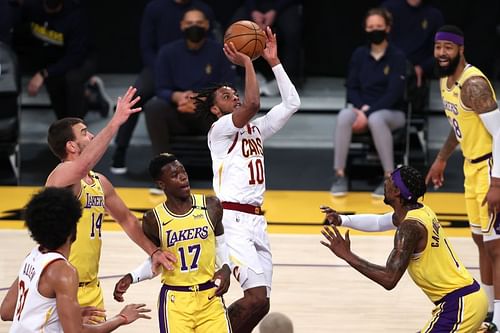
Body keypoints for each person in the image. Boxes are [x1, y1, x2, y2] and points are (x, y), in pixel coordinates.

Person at [193, 26, 300, 333]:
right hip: (233, 221)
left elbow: (292, 104)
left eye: (234, 92)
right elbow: (253, 104)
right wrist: (250, 63)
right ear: (216, 110)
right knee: (253, 299)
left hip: (257, 221)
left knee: (262, 302)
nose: (235, 96)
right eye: (227, 96)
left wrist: (274, 61)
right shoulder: (220, 131)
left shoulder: (255, 130)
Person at [44, 87, 176, 312]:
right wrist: (115, 123)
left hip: (91, 288)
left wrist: (153, 251)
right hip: (59, 285)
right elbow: (81, 166)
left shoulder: (99, 182)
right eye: (85, 132)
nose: (92, 135)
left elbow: (127, 220)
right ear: (71, 145)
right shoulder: (61, 176)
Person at [321, 165, 488, 332]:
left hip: (460, 304)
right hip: (469, 298)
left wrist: (347, 255)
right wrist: (342, 219)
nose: (386, 181)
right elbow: (379, 222)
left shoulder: (410, 228)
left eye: (390, 180)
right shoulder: (421, 211)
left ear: (397, 192)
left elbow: (389, 279)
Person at [426, 25, 500, 329]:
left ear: (461, 49)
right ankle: (487, 308)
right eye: (438, 47)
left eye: (448, 47)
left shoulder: (474, 84)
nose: (442, 53)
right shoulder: (447, 82)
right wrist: (442, 158)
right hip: (472, 168)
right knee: (481, 241)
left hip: (491, 166)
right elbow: (460, 124)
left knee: (496, 247)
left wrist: (497, 182)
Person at [0, 187, 151, 332]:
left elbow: (6, 311)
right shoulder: (64, 272)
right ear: (72, 231)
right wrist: (121, 318)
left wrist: (66, 315)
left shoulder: (32, 256)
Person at [111, 153, 232, 332]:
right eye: (175, 175)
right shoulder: (153, 219)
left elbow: (220, 244)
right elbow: (157, 262)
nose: (183, 177)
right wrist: (131, 277)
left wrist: (226, 268)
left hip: (210, 296)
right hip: (176, 300)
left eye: (183, 172)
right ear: (162, 184)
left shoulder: (211, 205)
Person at [109, 0, 216, 174]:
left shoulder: (202, 9)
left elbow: (209, 41)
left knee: (215, 94)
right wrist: (163, 68)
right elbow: (146, 45)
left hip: (193, 63)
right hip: (159, 65)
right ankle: (120, 150)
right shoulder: (155, 7)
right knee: (136, 96)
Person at [329, 7, 407, 198]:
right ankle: (340, 174)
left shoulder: (397, 57)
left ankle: (389, 178)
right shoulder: (359, 55)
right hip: (362, 110)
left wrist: (368, 112)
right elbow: (352, 88)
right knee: (344, 115)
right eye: (371, 27)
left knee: (377, 119)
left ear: (388, 28)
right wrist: (361, 110)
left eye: (379, 26)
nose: (375, 30)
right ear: (365, 29)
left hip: (392, 113)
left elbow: (394, 93)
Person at [143, 8, 237, 166]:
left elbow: (228, 86)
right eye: (190, 23)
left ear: (207, 25)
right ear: (182, 25)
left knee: (228, 108)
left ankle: (227, 168)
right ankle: (164, 168)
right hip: (179, 109)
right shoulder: (167, 52)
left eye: (199, 23)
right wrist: (178, 97)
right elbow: (161, 88)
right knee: (154, 107)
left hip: (209, 112)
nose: (195, 26)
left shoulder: (220, 52)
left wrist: (202, 99)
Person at [11, 0, 111, 120]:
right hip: (54, 58)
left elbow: (75, 56)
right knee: (62, 115)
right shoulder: (31, 7)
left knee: (71, 79)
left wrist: (44, 73)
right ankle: (91, 96)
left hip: (82, 59)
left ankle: (76, 128)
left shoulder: (75, 14)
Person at [382, 0, 444, 112]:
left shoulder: (434, 15)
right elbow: (378, 42)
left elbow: (440, 52)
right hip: (387, 69)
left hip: (416, 77)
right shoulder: (389, 8)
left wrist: (422, 68)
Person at [230, 0, 303, 94]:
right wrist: (253, 10)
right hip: (254, 6)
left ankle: (286, 79)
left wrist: (275, 10)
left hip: (284, 5)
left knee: (293, 31)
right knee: (236, 30)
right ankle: (249, 76)